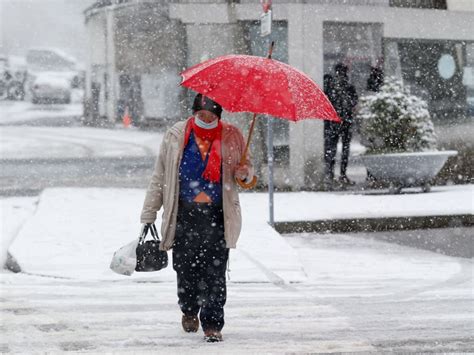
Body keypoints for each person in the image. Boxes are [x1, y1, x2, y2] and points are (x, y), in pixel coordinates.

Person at [140, 93, 254, 343]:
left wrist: (244, 174)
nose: (205, 119)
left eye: (211, 115)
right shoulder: (175, 135)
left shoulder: (231, 136)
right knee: (185, 268)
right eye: (201, 115)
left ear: (218, 115)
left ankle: (213, 323)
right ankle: (189, 308)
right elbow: (160, 176)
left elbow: (247, 178)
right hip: (184, 213)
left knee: (215, 272)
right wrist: (149, 212)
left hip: (217, 215)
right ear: (193, 113)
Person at [323, 63, 358, 189]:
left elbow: (326, 102)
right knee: (344, 150)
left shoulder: (331, 86)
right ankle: (342, 175)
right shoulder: (348, 87)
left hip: (333, 122)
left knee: (331, 149)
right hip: (346, 122)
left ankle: (330, 175)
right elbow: (354, 103)